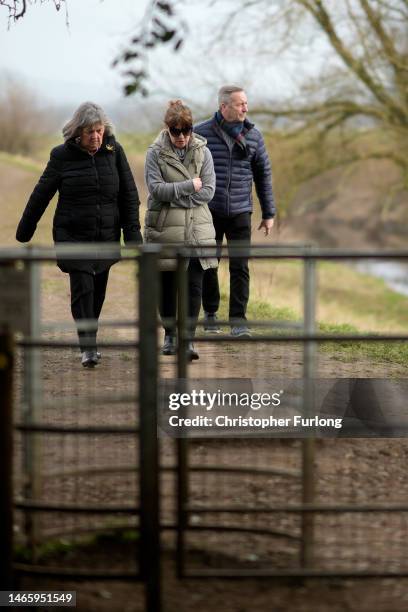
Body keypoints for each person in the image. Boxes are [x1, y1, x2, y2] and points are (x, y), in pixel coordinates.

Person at [16, 101, 142, 367]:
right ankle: (88, 345)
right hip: (73, 235)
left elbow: (129, 194)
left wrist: (132, 233)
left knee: (97, 292)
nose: (95, 136)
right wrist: (26, 228)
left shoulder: (114, 151)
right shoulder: (61, 156)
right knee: (83, 288)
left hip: (106, 234)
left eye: (99, 130)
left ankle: (90, 335)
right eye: (89, 132)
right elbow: (41, 194)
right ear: (77, 133)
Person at [194, 85, 276, 337]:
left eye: (246, 103)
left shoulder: (253, 136)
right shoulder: (200, 133)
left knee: (240, 267)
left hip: (241, 211)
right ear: (224, 107)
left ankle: (238, 321)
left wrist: (268, 213)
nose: (245, 108)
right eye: (240, 104)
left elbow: (263, 176)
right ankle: (210, 315)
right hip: (209, 210)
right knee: (209, 264)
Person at [144, 99, 217, 361]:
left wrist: (174, 194)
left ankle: (188, 338)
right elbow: (155, 189)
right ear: (167, 129)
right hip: (165, 229)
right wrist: (188, 186)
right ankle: (170, 335)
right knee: (167, 286)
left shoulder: (204, 152)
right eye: (176, 131)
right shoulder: (154, 153)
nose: (182, 137)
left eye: (186, 130)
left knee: (193, 287)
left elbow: (208, 191)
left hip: (197, 229)